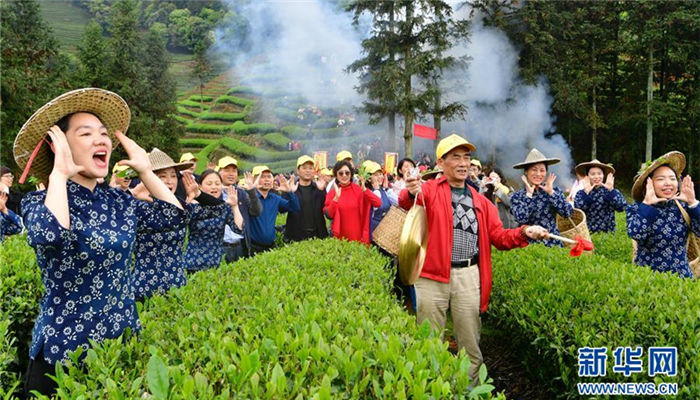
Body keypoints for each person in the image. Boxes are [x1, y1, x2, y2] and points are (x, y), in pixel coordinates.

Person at [14, 88, 186, 397]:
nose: (101, 139)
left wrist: (145, 169)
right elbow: (50, 234)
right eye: (86, 133)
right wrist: (59, 175)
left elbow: (174, 218)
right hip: (63, 354)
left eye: (104, 134)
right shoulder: (38, 201)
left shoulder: (118, 200)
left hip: (119, 340)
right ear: (60, 146)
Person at [399, 134, 548, 383]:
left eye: (466, 157)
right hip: (431, 275)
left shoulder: (482, 202)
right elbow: (408, 202)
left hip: (469, 275)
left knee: (470, 343)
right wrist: (410, 189)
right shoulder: (429, 190)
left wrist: (525, 232)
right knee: (428, 340)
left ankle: (470, 389)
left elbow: (499, 237)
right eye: (455, 157)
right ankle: (428, 388)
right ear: (441, 163)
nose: (462, 163)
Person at [130, 149, 198, 301]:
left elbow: (217, 209)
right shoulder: (136, 208)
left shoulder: (180, 205)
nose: (169, 181)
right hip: (144, 288)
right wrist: (134, 193)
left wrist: (197, 195)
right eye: (162, 176)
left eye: (173, 176)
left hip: (177, 285)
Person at [627, 151, 699, 278]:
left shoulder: (683, 207)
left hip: (681, 278)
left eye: (672, 179)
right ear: (648, 184)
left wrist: (692, 203)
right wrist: (647, 206)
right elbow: (636, 234)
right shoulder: (637, 208)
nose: (668, 183)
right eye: (660, 179)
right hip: (647, 279)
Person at [183, 169, 244, 272]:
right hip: (192, 263)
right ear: (200, 186)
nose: (214, 187)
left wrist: (234, 206)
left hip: (216, 264)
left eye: (217, 183)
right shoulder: (193, 205)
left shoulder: (223, 207)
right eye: (209, 183)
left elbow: (239, 229)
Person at [510, 148, 573, 247]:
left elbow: (567, 213)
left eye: (542, 170)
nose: (538, 174)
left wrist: (551, 192)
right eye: (534, 170)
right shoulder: (517, 196)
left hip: (553, 243)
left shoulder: (554, 190)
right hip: (529, 246)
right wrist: (529, 196)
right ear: (526, 172)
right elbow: (521, 219)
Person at [216, 156, 262, 261]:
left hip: (240, 246)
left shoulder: (241, 193)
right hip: (220, 246)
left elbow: (256, 211)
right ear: (218, 172)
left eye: (234, 170)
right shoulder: (213, 193)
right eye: (227, 170)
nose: (231, 174)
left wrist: (251, 191)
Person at [324, 160, 381, 244]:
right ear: (336, 175)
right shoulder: (332, 193)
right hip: (339, 240)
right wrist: (336, 198)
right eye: (341, 173)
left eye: (347, 173)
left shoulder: (358, 190)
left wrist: (365, 189)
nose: (344, 175)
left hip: (357, 238)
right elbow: (329, 214)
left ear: (351, 175)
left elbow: (378, 203)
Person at [248, 165, 300, 254]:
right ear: (254, 180)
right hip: (253, 247)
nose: (266, 180)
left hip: (271, 246)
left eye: (269, 176)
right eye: (262, 177)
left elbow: (294, 208)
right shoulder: (249, 198)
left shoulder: (275, 198)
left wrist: (289, 192)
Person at [573, 159, 626, 233]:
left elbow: (621, 207)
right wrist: (586, 193)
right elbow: (578, 212)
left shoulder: (611, 191)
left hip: (608, 234)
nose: (596, 176)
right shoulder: (581, 193)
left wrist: (611, 190)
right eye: (593, 174)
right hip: (588, 234)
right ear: (587, 176)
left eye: (599, 173)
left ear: (604, 175)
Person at [284, 155, 329, 242]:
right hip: (296, 236)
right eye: (304, 168)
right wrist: (289, 192)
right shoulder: (292, 188)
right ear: (298, 170)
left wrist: (322, 191)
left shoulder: (318, 188)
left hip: (317, 235)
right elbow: (283, 208)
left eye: (310, 168)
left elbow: (325, 207)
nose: (308, 171)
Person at [366, 161, 398, 237]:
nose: (380, 177)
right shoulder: (369, 192)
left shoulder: (384, 190)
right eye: (376, 175)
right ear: (369, 178)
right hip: (374, 229)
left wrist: (387, 188)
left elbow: (397, 202)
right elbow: (376, 206)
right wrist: (376, 189)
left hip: (385, 230)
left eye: (381, 174)